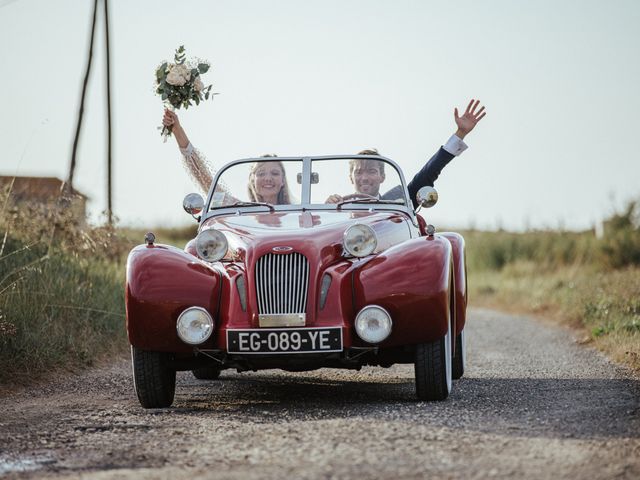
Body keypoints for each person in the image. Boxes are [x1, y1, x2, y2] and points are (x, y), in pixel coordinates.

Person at [325, 99, 486, 208]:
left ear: (383, 176)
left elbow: (428, 173)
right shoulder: (338, 208)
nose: (365, 177)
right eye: (359, 172)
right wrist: (325, 213)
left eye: (372, 171)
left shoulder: (399, 202)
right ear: (350, 177)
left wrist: (460, 134)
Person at [162, 110, 292, 205]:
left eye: (275, 173)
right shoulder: (237, 210)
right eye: (261, 173)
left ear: (282, 181)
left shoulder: (299, 214)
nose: (268, 178)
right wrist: (177, 130)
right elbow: (204, 178)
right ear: (252, 180)